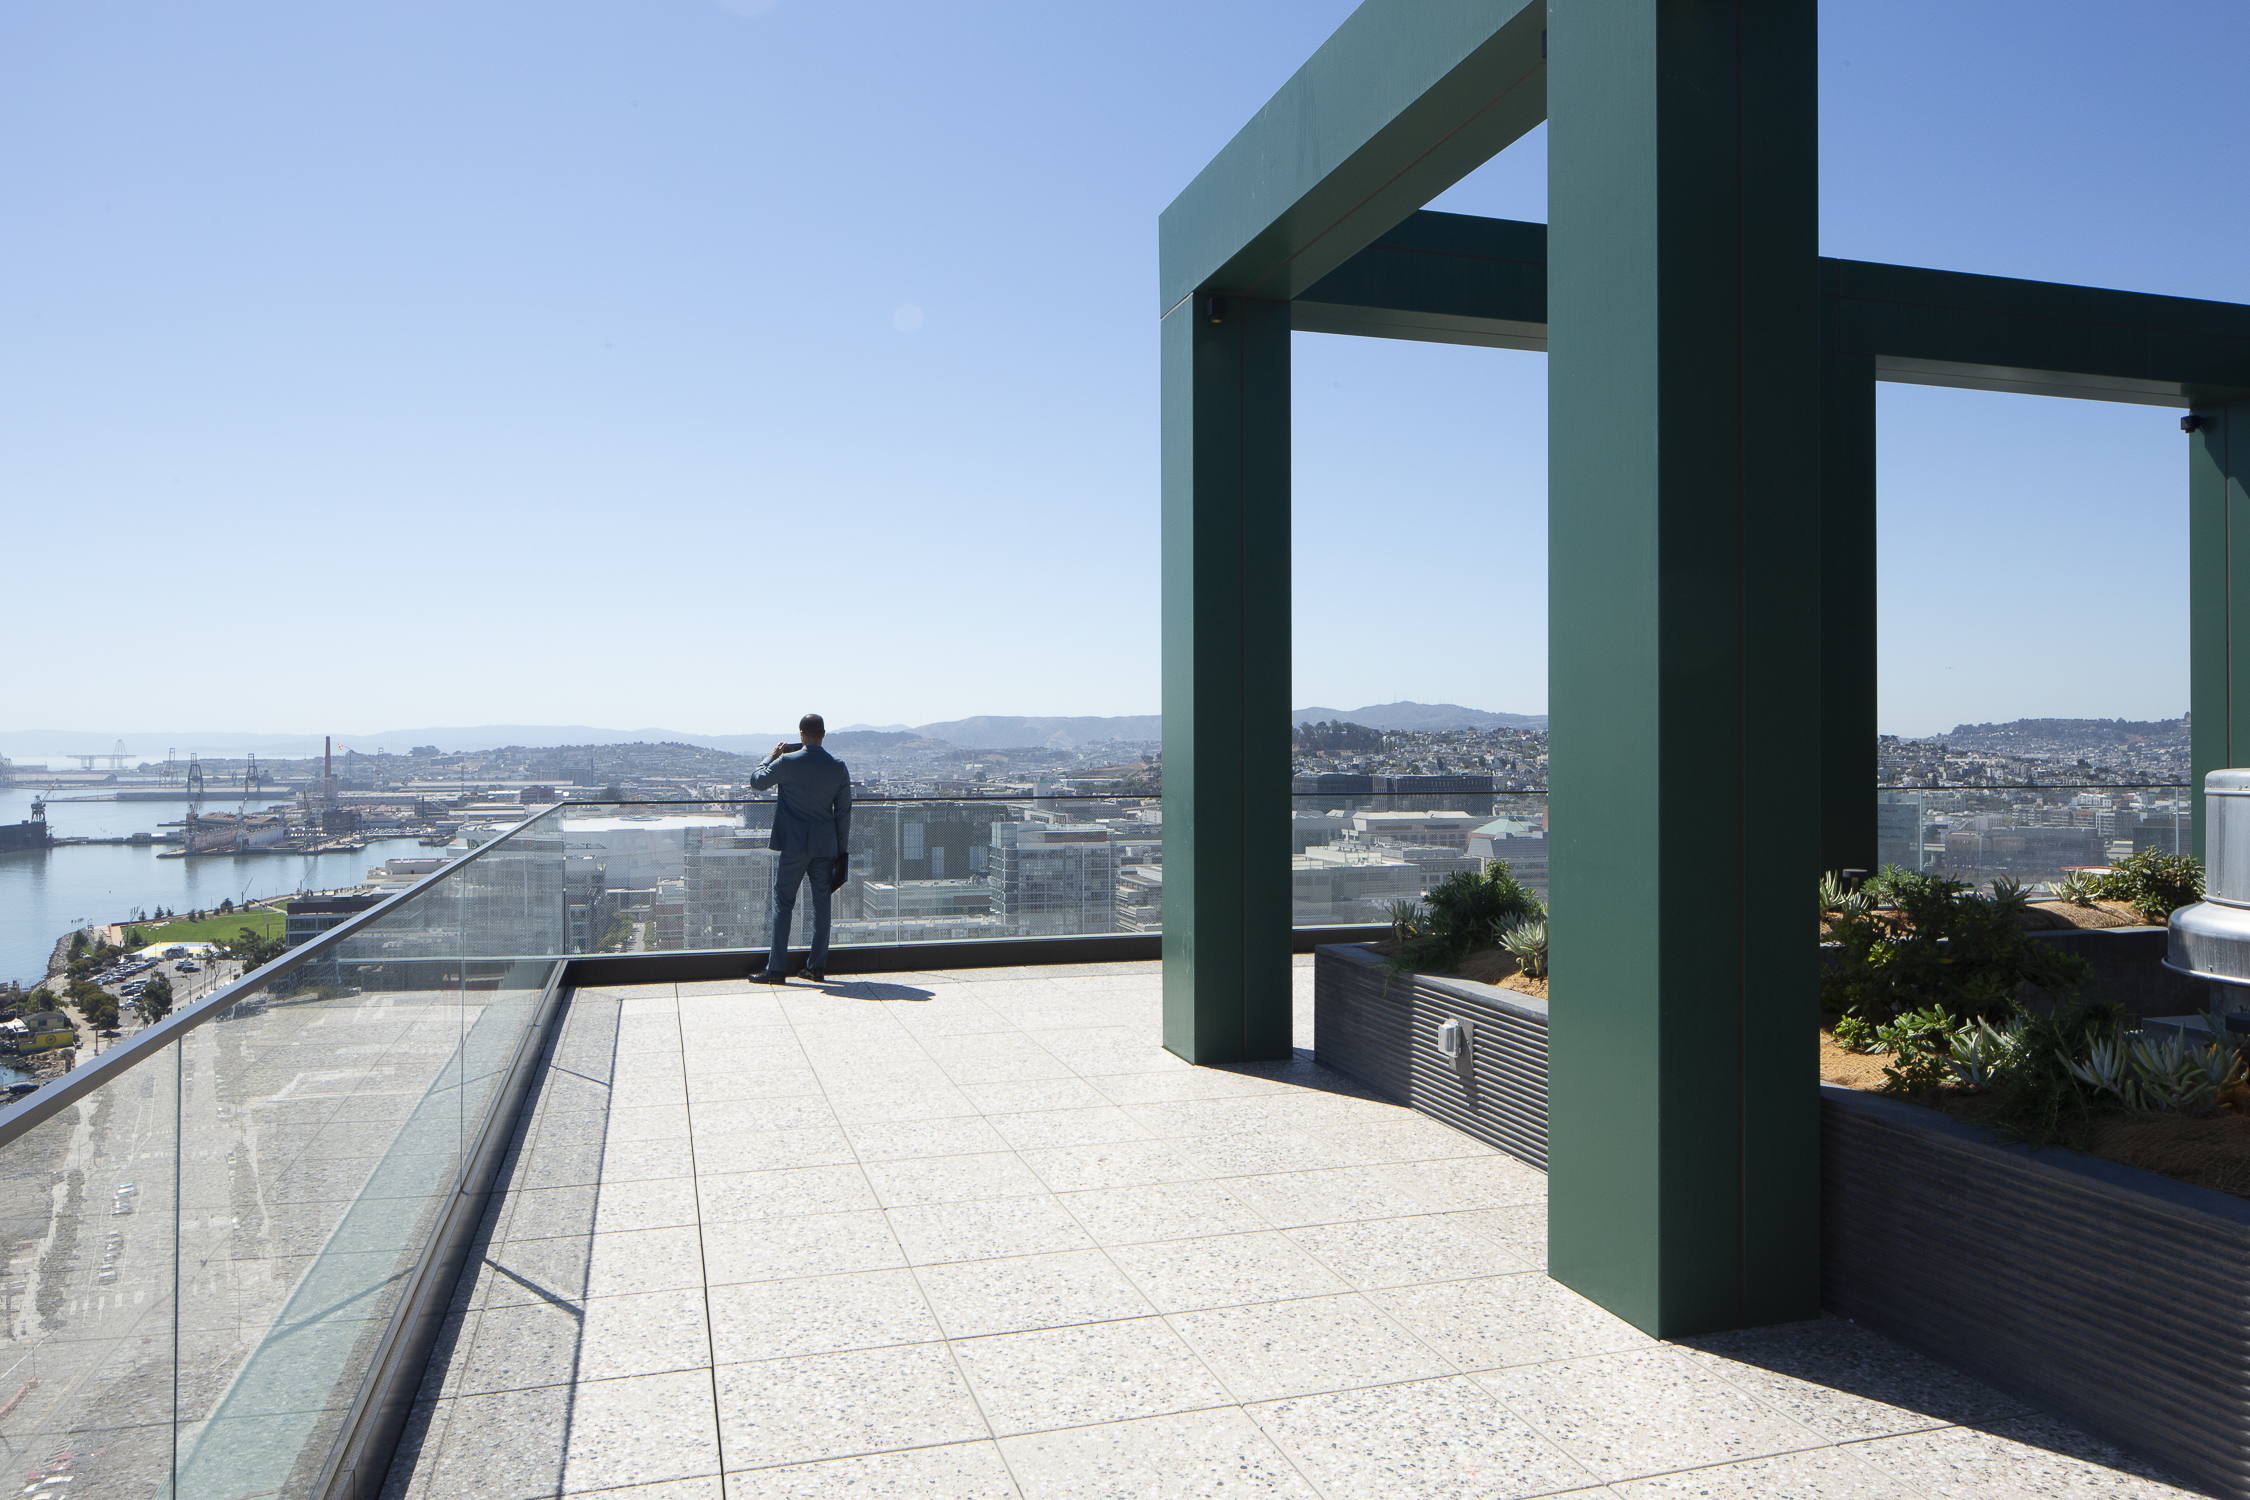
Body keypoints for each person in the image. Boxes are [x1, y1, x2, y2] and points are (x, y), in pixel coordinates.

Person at [748, 714, 853, 984]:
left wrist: (770, 756)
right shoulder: (838, 767)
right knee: (822, 906)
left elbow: (757, 781)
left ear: (802, 734)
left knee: (783, 904)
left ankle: (776, 969)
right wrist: (840, 849)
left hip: (794, 845)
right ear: (824, 734)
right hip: (825, 846)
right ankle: (816, 967)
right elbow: (843, 813)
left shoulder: (788, 761)